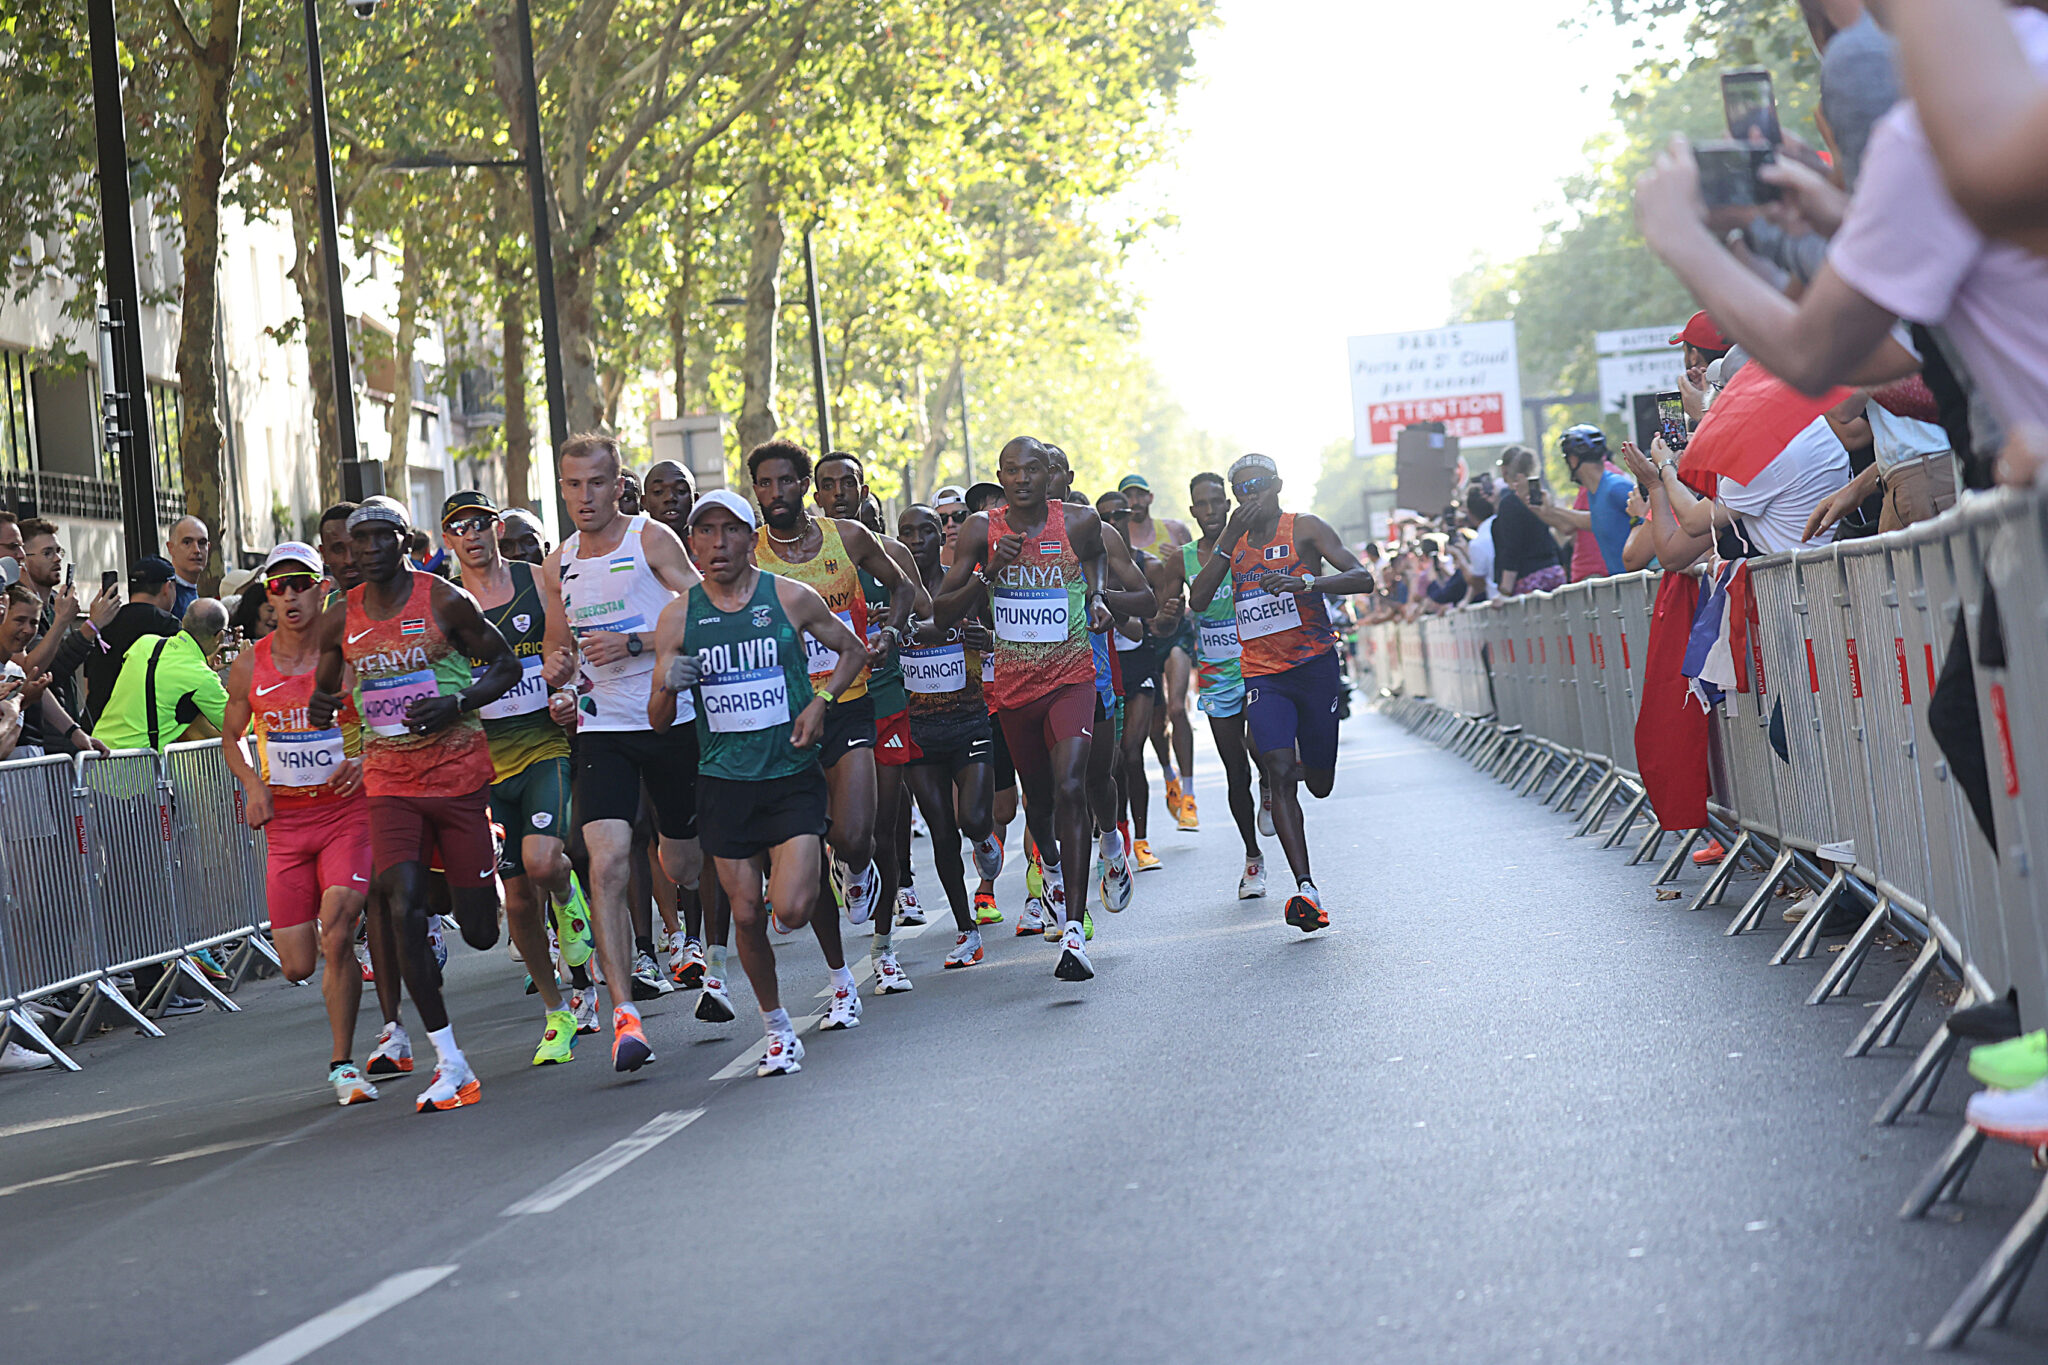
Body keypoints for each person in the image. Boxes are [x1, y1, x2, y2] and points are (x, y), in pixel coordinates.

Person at [309, 499, 523, 1111]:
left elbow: (505, 665)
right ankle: (449, 1060)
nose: (371, 549)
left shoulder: (443, 600)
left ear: (405, 541)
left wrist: (456, 704)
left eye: (383, 537)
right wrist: (327, 706)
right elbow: (328, 689)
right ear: (347, 551)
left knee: (480, 932)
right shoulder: (339, 618)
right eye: (359, 540)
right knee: (399, 902)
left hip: (458, 778)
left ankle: (473, 875)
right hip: (389, 782)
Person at [648, 489, 868, 1076]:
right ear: (692, 543)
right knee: (745, 913)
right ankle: (777, 1029)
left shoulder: (789, 597)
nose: (717, 544)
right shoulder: (678, 616)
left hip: (791, 773)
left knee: (789, 909)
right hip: (723, 782)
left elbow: (853, 649)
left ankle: (831, 927)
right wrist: (669, 681)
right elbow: (658, 719)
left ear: (751, 538)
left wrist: (821, 703)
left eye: (730, 531)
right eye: (705, 532)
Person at [538, 433, 707, 1069]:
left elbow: (705, 609)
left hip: (669, 717)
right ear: (563, 489)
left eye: (597, 483)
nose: (585, 496)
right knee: (605, 861)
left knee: (683, 865)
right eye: (574, 485)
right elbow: (562, 651)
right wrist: (559, 668)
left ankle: (689, 916)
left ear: (619, 486)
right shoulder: (559, 564)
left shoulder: (651, 540)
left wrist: (638, 644)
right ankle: (625, 1015)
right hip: (603, 727)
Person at [931, 436, 1117, 982]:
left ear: (1047, 473)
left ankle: (1077, 928)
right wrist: (989, 571)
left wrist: (1099, 596)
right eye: (1011, 470)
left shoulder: (1078, 522)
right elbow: (943, 612)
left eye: (1032, 469)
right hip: (1014, 689)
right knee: (1039, 804)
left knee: (1070, 787)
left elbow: (1099, 559)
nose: (1022, 479)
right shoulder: (979, 530)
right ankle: (1052, 870)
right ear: (1000, 476)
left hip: (1071, 677)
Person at [750, 440, 915, 1024]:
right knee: (806, 845)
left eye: (785, 483)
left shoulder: (848, 539)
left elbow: (902, 589)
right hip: (784, 714)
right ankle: (841, 978)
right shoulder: (749, 552)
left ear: (804, 487)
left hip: (848, 700)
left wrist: (890, 634)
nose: (775, 495)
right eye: (764, 485)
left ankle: (857, 867)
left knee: (853, 836)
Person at [1187, 454, 1376, 933]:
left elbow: (1363, 578)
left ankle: (1296, 782)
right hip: (1262, 675)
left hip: (1313, 669)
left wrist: (1304, 582)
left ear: (1277, 486)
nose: (1250, 494)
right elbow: (1200, 599)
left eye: (1258, 485)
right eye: (1241, 488)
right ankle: (1306, 888)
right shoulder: (1234, 544)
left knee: (1318, 782)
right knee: (1277, 767)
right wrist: (1227, 540)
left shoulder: (1305, 529)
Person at [218, 544, 378, 1106]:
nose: (287, 594)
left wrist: (363, 761)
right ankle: (342, 962)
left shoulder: (347, 655)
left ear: (320, 589)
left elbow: (385, 720)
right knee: (295, 965)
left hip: (343, 816)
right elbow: (230, 735)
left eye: (299, 583)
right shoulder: (250, 663)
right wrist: (254, 785)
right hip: (286, 827)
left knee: (336, 929)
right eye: (276, 586)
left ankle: (343, 1064)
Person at [442, 490, 594, 1066]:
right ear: (449, 540)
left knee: (541, 862)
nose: (472, 535)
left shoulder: (539, 579)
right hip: (482, 767)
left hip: (541, 747)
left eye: (480, 524)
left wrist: (568, 690)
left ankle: (568, 894)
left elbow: (569, 651)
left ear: (496, 527)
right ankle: (557, 1011)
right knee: (517, 902)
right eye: (459, 529)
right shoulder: (444, 603)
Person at [811, 451, 932, 995]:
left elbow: (922, 606)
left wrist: (893, 626)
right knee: (833, 832)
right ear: (816, 496)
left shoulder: (886, 551)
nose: (838, 492)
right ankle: (838, 954)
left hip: (882, 699)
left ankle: (883, 952)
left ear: (864, 489)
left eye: (848, 483)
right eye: (828, 485)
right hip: (814, 704)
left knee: (882, 827)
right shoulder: (802, 555)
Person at [897, 504, 1007, 968]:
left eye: (928, 530)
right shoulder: (893, 587)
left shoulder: (965, 582)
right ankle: (966, 930)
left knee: (974, 819)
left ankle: (985, 841)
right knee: (941, 830)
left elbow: (1003, 630)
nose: (920, 538)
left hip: (969, 720)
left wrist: (989, 638)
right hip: (919, 729)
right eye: (909, 532)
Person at [1171, 472, 1266, 898]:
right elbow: (1163, 617)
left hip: (1260, 666)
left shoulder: (1251, 545)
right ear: (1192, 510)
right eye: (1201, 504)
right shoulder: (1183, 558)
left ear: (1228, 505)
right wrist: (1169, 613)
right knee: (1234, 770)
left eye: (1216, 502)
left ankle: (1270, 782)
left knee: (1265, 750)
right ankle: (1252, 858)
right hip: (1215, 675)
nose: (1210, 511)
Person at [1118, 474, 1200, 832]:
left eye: (1138, 495)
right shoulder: (1116, 537)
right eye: (1127, 498)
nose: (1134, 502)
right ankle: (1169, 774)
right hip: (1144, 636)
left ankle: (1190, 795)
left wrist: (1178, 559)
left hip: (1175, 628)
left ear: (1150, 497)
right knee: (1154, 723)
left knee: (1177, 707)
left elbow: (1199, 570)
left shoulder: (1174, 530)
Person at [93, 599, 231, 751]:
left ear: (184, 621)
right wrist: (247, 676)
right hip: (135, 766)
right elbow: (242, 727)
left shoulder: (144, 643)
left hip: (97, 754)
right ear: (219, 636)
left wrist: (203, 665)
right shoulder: (202, 677)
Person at [1532, 426, 1633, 578]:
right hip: (1623, 584)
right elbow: (1595, 520)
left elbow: (1650, 519)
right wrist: (1551, 510)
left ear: (1573, 460)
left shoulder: (1616, 487)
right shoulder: (1596, 491)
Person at [1487, 449, 1566, 596]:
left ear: (1504, 470)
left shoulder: (1509, 504)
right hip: (1554, 573)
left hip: (1529, 580)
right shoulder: (1543, 498)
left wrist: (1505, 589)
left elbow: (1511, 547)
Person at [166, 516, 209, 619]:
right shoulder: (165, 595)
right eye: (187, 542)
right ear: (171, 548)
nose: (196, 550)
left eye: (202, 543)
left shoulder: (197, 591)